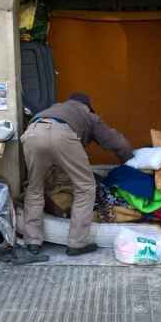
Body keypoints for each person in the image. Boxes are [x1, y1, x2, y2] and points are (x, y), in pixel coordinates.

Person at [21, 93, 133, 256]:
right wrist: (130, 162)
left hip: (32, 133)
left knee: (34, 188)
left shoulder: (55, 108)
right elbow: (117, 142)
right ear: (88, 106)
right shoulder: (87, 114)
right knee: (86, 187)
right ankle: (77, 243)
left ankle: (32, 241)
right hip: (61, 135)